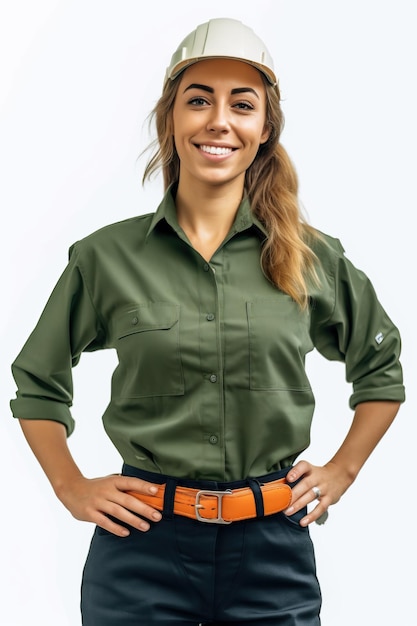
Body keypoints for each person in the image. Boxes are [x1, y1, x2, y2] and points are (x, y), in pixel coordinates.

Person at [10, 17, 405, 626]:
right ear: (172, 118)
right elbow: (37, 382)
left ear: (264, 127)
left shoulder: (313, 258)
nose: (218, 119)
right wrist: (71, 487)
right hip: (139, 550)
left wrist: (342, 469)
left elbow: (380, 370)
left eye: (241, 104)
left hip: (274, 550)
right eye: (199, 100)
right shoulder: (106, 258)